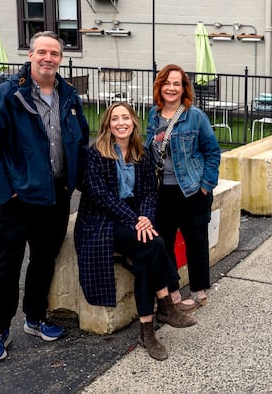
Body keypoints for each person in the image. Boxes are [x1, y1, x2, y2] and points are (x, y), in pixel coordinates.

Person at [0, 31, 89, 363]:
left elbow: (80, 143)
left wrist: (78, 183)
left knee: (42, 262)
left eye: (54, 53)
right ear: (30, 55)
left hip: (55, 198)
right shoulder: (6, 96)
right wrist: (5, 193)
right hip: (16, 201)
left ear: (61, 59)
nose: (48, 58)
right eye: (42, 52)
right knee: (6, 267)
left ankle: (35, 318)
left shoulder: (69, 96)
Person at [74, 102, 196, 361]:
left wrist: (145, 218)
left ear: (133, 122)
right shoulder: (95, 154)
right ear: (108, 124)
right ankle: (166, 305)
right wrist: (136, 220)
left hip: (133, 219)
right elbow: (100, 196)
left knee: (145, 260)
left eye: (125, 118)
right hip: (100, 222)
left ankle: (147, 331)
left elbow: (151, 192)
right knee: (155, 244)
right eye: (115, 118)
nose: (121, 123)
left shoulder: (141, 152)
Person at [146, 64, 221, 312]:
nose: (171, 88)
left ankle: (199, 293)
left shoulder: (195, 116)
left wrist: (205, 186)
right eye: (167, 83)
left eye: (176, 83)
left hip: (191, 190)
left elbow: (212, 152)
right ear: (160, 87)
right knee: (164, 243)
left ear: (183, 88)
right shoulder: (153, 115)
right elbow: (149, 150)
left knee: (195, 241)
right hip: (162, 191)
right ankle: (174, 292)